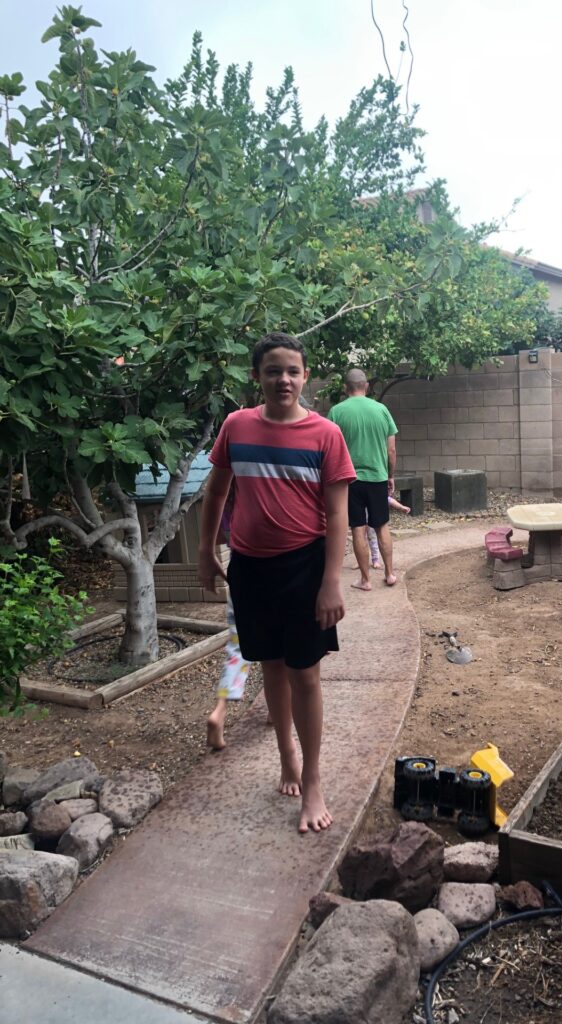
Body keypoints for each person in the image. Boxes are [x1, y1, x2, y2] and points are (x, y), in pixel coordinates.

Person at [197, 332, 355, 834]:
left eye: (292, 371)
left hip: (305, 569)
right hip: (250, 567)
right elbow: (217, 491)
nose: (283, 379)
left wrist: (332, 581)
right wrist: (206, 551)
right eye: (273, 371)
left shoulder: (325, 434)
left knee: (305, 672)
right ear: (257, 377)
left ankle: (312, 780)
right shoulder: (236, 426)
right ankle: (285, 751)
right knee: (270, 665)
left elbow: (336, 514)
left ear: (305, 376)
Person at [327, 368, 399, 591]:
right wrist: (390, 476)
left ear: (344, 388)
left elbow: (329, 450)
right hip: (378, 478)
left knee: (358, 528)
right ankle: (389, 574)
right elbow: (391, 450)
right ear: (366, 386)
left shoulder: (336, 412)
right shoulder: (381, 410)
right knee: (382, 526)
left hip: (349, 481)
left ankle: (366, 580)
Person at [366, 494, 410, 569]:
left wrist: (401, 507)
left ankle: (375, 559)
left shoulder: (377, 492)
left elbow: (389, 500)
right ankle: (361, 560)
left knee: (373, 539)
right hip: (361, 522)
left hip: (372, 521)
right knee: (360, 540)